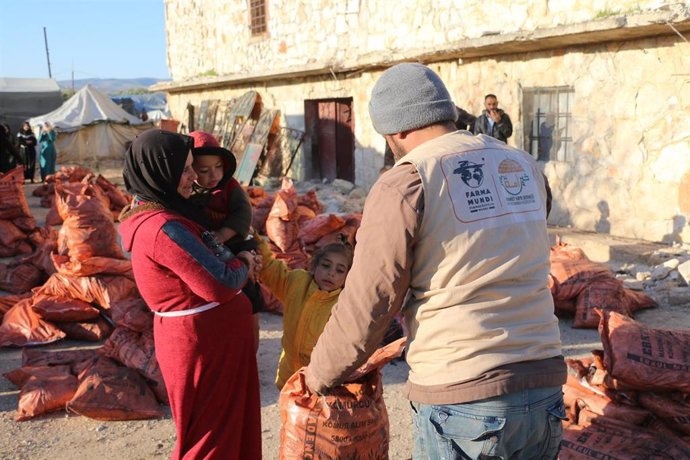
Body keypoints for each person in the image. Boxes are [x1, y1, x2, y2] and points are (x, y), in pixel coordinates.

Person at [304, 63, 566, 459]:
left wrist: (321, 373)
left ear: (396, 131)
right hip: (545, 384)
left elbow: (371, 299)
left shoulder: (407, 181)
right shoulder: (524, 165)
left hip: (463, 397)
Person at [118, 129, 262, 459]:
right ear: (159, 172)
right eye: (184, 170)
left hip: (213, 342)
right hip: (202, 346)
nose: (193, 178)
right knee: (208, 439)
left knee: (227, 428)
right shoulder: (162, 227)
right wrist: (244, 261)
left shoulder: (170, 213)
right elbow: (220, 283)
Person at [187, 130, 265, 352]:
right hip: (207, 251)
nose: (213, 175)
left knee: (249, 297)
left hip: (236, 244)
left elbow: (243, 213)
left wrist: (222, 236)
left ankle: (251, 350)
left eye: (218, 167)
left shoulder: (230, 188)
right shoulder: (188, 192)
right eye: (204, 170)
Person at [258, 234, 353, 390]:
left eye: (340, 270)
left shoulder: (344, 304)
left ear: (348, 277)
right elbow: (270, 269)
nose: (331, 273)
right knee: (289, 414)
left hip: (322, 383)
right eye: (326, 265)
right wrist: (255, 240)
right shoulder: (297, 283)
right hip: (289, 377)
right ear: (314, 266)